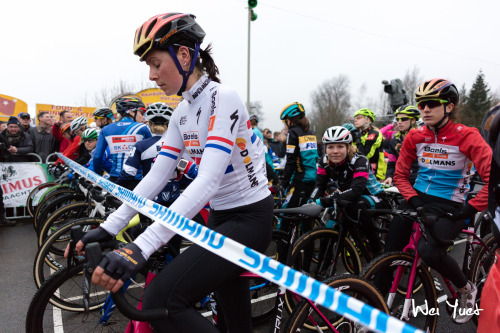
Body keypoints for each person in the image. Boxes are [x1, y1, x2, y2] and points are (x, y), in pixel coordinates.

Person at [70, 13, 272, 333]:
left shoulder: (223, 98)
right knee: (233, 319)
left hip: (250, 219)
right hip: (221, 218)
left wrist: (141, 247)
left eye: (155, 63)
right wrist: (109, 228)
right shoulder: (182, 111)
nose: (151, 75)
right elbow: (156, 176)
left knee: (160, 300)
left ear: (183, 55)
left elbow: (206, 181)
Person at [385, 78, 491, 323]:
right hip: (419, 200)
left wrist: (469, 208)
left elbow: (494, 181)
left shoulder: (468, 137)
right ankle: (376, 303)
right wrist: (415, 203)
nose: (424, 110)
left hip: (452, 204)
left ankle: (466, 289)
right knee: (390, 248)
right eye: (421, 104)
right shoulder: (414, 136)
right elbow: (400, 175)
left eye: (431, 104)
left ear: (449, 107)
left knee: (428, 251)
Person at [310, 126, 384, 255]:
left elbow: (356, 190)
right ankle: (321, 273)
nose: (335, 151)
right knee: (327, 234)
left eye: (340, 146)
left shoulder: (359, 160)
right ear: (325, 148)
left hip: (373, 196)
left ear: (349, 147)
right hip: (347, 198)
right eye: (330, 147)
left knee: (357, 206)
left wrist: (323, 201)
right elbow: (319, 186)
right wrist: (311, 202)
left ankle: (377, 251)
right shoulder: (323, 161)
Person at [92, 96, 151, 183]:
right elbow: (151, 156)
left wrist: (97, 176)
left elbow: (97, 157)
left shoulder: (106, 129)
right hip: (136, 180)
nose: (143, 117)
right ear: (131, 112)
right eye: (141, 113)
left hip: (114, 179)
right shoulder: (143, 128)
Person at [280, 102, 318, 220]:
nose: (285, 124)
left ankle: (283, 237)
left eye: (285, 121)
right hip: (313, 179)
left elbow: (291, 161)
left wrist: (283, 183)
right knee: (305, 217)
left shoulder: (293, 133)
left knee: (286, 215)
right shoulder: (310, 132)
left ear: (290, 120)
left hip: (300, 179)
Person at [383, 105, 420, 187]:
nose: (399, 122)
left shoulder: (420, 138)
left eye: (403, 119)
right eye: (397, 119)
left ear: (413, 120)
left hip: (419, 181)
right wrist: (389, 176)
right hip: (401, 181)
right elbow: (392, 162)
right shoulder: (394, 140)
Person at [352, 108, 387, 180]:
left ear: (367, 120)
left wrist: (357, 139)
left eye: (358, 118)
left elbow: (365, 155)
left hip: (375, 173)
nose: (355, 120)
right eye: (355, 118)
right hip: (360, 169)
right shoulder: (358, 133)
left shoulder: (374, 133)